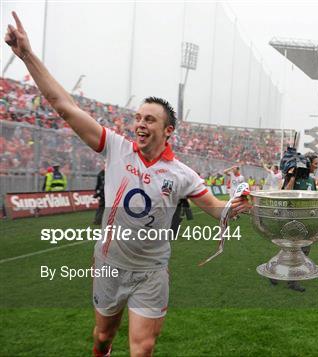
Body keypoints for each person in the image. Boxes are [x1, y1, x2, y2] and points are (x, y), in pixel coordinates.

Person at [4, 12, 250, 357]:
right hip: (109, 264)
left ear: (168, 131)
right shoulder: (116, 148)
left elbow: (217, 210)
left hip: (151, 271)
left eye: (149, 119)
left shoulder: (183, 174)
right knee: (103, 337)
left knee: (143, 347)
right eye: (137, 117)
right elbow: (64, 107)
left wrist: (238, 207)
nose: (139, 124)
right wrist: (27, 55)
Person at [276, 152, 318, 292]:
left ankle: (277, 274)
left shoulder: (312, 181)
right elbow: (284, 194)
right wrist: (293, 176)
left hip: (307, 221)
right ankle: (292, 281)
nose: (316, 167)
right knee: (294, 249)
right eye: (315, 164)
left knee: (302, 250)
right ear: (307, 163)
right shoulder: (292, 179)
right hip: (292, 220)